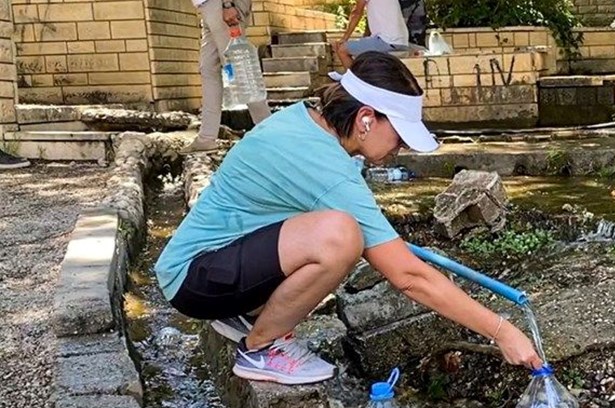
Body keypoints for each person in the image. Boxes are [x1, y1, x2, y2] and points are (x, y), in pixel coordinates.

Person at [155, 52, 543, 385]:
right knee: (341, 236)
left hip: (217, 266)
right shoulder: (325, 166)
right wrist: (502, 331)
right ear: (366, 119)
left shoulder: (306, 122)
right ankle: (260, 349)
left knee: (345, 231)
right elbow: (408, 277)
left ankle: (249, 316)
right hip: (197, 279)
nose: (402, 148)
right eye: (401, 135)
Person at [182, 0, 271, 154]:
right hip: (210, 7)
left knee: (239, 70)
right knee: (208, 68)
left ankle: (272, 132)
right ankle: (206, 138)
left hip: (220, 5)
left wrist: (227, 5)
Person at [331, 0, 410, 71]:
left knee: (342, 50)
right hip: (402, 42)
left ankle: (355, 82)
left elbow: (356, 13)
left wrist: (344, 39)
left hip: (386, 41)